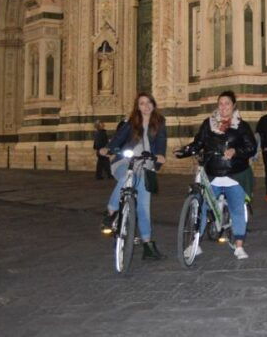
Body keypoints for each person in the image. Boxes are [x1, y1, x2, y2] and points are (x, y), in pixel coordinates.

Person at [175, 91, 258, 260]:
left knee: (236, 210)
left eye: (227, 103)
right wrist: (183, 151)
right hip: (212, 173)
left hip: (234, 175)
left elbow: (251, 148)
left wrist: (235, 151)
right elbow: (198, 143)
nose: (223, 107)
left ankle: (239, 246)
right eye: (220, 103)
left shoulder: (241, 126)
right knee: (202, 207)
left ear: (233, 105)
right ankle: (195, 244)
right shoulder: (208, 123)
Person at [100, 93, 167, 260]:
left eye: (149, 102)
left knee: (144, 207)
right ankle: (110, 211)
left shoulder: (159, 123)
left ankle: (148, 245)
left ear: (153, 104)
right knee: (127, 178)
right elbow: (119, 138)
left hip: (145, 165)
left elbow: (161, 142)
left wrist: (160, 156)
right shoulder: (131, 123)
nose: (146, 106)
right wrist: (107, 148)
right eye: (142, 103)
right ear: (138, 107)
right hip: (125, 162)